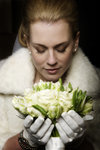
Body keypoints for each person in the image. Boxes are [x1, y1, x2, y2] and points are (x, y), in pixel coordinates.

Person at [0, 0, 100, 150]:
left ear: (75, 41)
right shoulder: (3, 83)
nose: (51, 61)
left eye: (61, 48)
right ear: (27, 42)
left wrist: (78, 144)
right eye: (40, 49)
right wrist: (25, 141)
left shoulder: (96, 87)